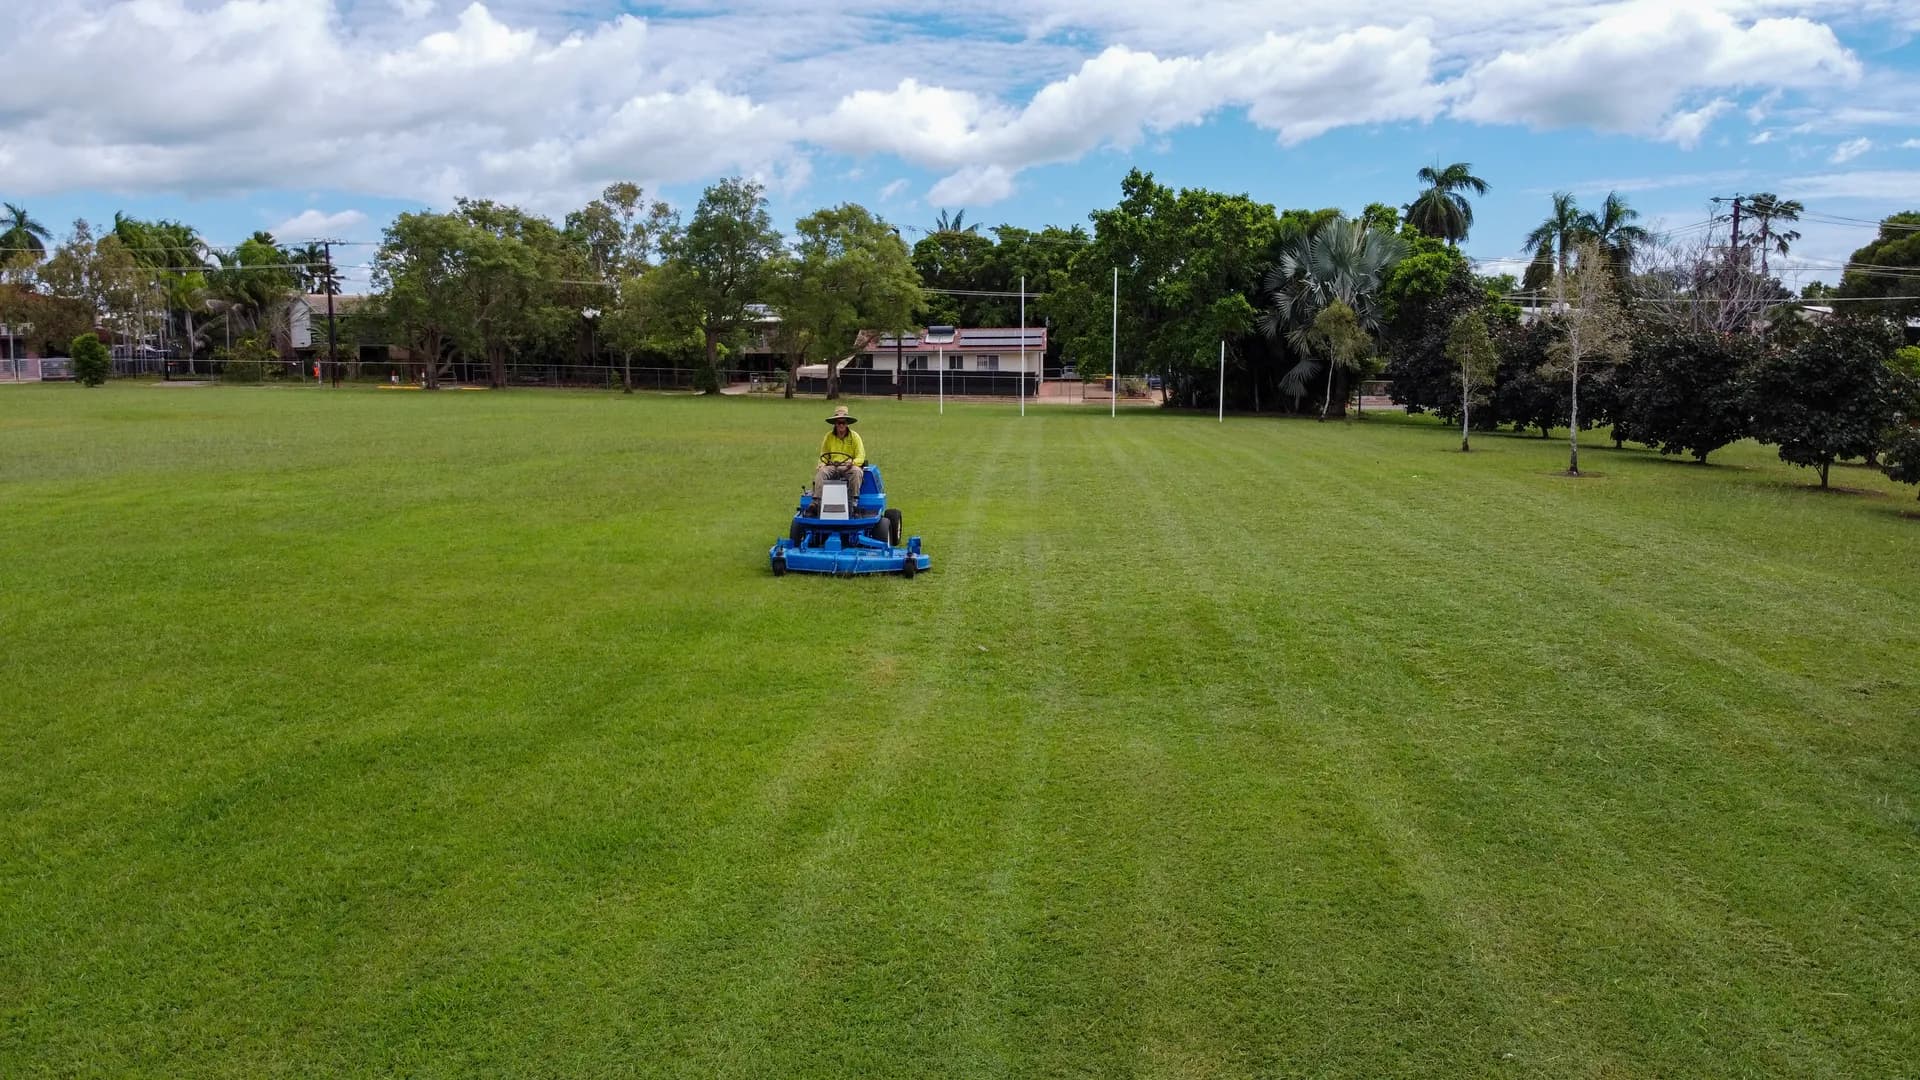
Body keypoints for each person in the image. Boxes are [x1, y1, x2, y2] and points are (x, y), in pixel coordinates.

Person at [811, 406, 867, 515]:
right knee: (821, 472)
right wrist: (822, 464)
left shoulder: (855, 437)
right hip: (832, 465)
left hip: (848, 466)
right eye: (839, 423)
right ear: (835, 424)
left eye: (843, 423)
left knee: (856, 472)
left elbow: (861, 456)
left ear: (847, 424)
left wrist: (853, 463)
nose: (841, 425)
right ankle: (816, 502)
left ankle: (854, 502)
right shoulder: (829, 437)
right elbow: (823, 455)